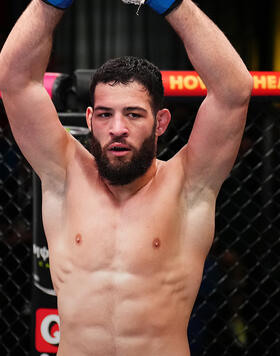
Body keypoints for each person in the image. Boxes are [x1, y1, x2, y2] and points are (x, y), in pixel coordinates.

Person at [0, 0, 253, 355]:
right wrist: (50, 2)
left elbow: (234, 91)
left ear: (161, 122)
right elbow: (14, 81)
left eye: (133, 114)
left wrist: (174, 4)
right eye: (105, 114)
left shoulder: (187, 185)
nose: (117, 128)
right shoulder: (65, 176)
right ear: (89, 119)